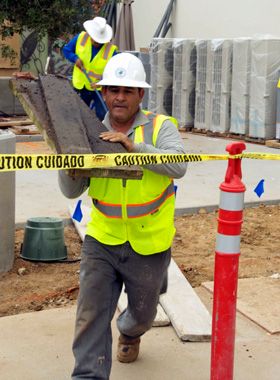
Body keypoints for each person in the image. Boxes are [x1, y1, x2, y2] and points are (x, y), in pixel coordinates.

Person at [58, 52, 187, 380]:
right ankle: (88, 375)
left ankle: (130, 330)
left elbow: (179, 165)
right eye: (113, 89)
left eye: (127, 90)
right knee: (91, 314)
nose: (119, 96)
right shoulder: (89, 133)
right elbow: (72, 192)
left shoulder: (161, 127)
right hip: (102, 238)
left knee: (144, 314)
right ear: (103, 93)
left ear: (140, 95)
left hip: (149, 242)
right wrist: (67, 164)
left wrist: (133, 147)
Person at [62, 16, 118, 121]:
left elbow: (114, 73)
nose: (96, 42)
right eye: (94, 39)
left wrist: (102, 83)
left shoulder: (111, 51)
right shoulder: (80, 38)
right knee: (78, 113)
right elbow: (66, 50)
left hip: (99, 89)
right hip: (80, 85)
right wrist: (75, 58)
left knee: (103, 114)